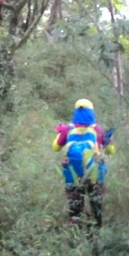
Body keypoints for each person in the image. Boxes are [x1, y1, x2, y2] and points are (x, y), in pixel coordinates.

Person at [53, 98, 115, 231]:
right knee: (96, 204)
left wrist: (61, 133)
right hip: (94, 174)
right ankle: (97, 232)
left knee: (75, 206)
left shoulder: (68, 129)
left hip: (73, 175)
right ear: (91, 112)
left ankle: (75, 233)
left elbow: (55, 148)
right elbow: (111, 150)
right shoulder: (98, 130)